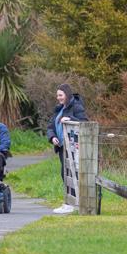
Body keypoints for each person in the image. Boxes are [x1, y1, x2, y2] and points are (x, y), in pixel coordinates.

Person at [46, 83, 88, 214]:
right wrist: (52, 137)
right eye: (57, 95)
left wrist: (70, 118)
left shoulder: (76, 106)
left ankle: (74, 204)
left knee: (72, 173)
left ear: (67, 95)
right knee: (64, 174)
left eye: (60, 95)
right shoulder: (59, 109)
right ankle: (68, 202)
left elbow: (85, 122)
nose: (58, 98)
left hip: (73, 147)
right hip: (61, 147)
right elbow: (50, 127)